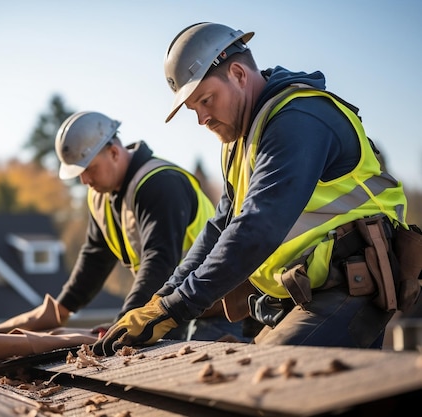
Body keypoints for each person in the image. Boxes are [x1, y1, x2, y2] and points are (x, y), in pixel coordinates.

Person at [93, 22, 418, 356]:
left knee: (267, 381)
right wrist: (162, 300)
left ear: (237, 73)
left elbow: (256, 227)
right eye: (194, 109)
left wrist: (177, 307)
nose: (202, 119)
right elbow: (220, 228)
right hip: (300, 294)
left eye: (206, 100)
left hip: (351, 284)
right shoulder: (239, 141)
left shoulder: (299, 118)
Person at [0, 110, 248, 342]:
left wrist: (125, 322)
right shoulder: (101, 195)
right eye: (79, 174)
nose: (85, 180)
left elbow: (159, 262)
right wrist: (61, 310)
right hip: (170, 306)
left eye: (90, 169)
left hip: (217, 306)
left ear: (113, 152)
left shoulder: (161, 183)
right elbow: (95, 259)